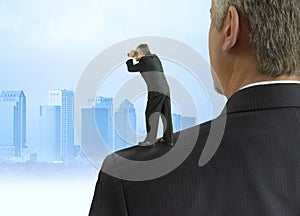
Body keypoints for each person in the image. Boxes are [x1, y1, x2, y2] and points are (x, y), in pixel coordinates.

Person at [89, 0, 300, 215]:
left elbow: (134, 67)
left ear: (230, 29)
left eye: (211, 17)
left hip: (157, 96)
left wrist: (132, 58)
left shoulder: (131, 179)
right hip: (164, 93)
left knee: (153, 115)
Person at [126, 44, 173, 146]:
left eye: (137, 53)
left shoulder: (145, 61)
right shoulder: (155, 58)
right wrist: (136, 55)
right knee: (166, 114)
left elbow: (131, 68)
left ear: (142, 53)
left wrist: (131, 58)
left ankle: (150, 140)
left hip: (156, 92)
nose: (136, 55)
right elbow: (142, 60)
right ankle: (168, 139)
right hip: (165, 90)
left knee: (150, 114)